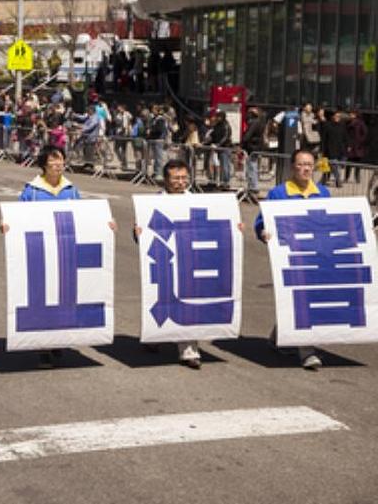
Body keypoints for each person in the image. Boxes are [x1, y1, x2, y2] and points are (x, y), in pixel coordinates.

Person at [2, 145, 115, 368]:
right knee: (43, 295)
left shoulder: (71, 190)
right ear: (44, 164)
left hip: (65, 252)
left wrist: (105, 224)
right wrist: (8, 226)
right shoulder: (32, 191)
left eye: (60, 160)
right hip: (40, 252)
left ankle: (57, 339)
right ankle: (43, 348)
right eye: (52, 161)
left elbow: (83, 218)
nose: (57, 165)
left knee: (63, 295)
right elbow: (18, 217)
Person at [132, 160, 243, 368]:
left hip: (189, 260)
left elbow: (213, 228)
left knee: (187, 300)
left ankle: (189, 351)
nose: (181, 182)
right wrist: (139, 233)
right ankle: (155, 337)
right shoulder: (153, 203)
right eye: (176, 178)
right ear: (166, 180)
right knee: (161, 299)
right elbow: (143, 234)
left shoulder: (197, 201)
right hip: (164, 261)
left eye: (184, 178)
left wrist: (234, 228)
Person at [254, 148, 328, 371]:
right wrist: (263, 232)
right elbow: (261, 221)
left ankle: (279, 337)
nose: (305, 169)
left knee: (305, 296)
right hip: (289, 254)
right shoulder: (278, 193)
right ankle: (307, 351)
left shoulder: (323, 192)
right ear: (292, 167)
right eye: (301, 164)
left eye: (309, 165)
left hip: (315, 254)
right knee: (300, 296)